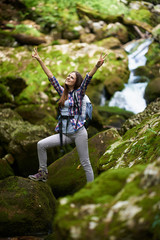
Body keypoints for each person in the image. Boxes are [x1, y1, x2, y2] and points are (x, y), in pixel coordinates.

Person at [28, 47, 107, 183]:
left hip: (79, 132)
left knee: (85, 162)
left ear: (76, 82)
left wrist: (96, 66)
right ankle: (43, 173)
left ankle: (91, 188)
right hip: (65, 133)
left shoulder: (79, 93)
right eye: (68, 75)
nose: (68, 77)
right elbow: (51, 77)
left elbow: (88, 78)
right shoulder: (62, 92)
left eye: (72, 77)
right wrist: (40, 60)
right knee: (41, 145)